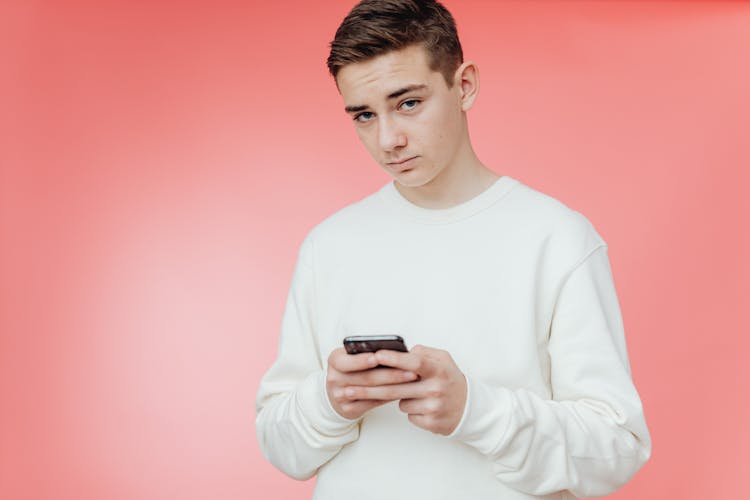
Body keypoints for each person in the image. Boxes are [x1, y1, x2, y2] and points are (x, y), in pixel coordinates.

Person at [255, 1, 651, 498]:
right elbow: (280, 445)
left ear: (463, 86)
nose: (388, 139)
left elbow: (616, 448)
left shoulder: (557, 238)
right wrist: (328, 401)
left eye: (408, 103)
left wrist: (475, 411)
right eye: (363, 114)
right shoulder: (328, 245)